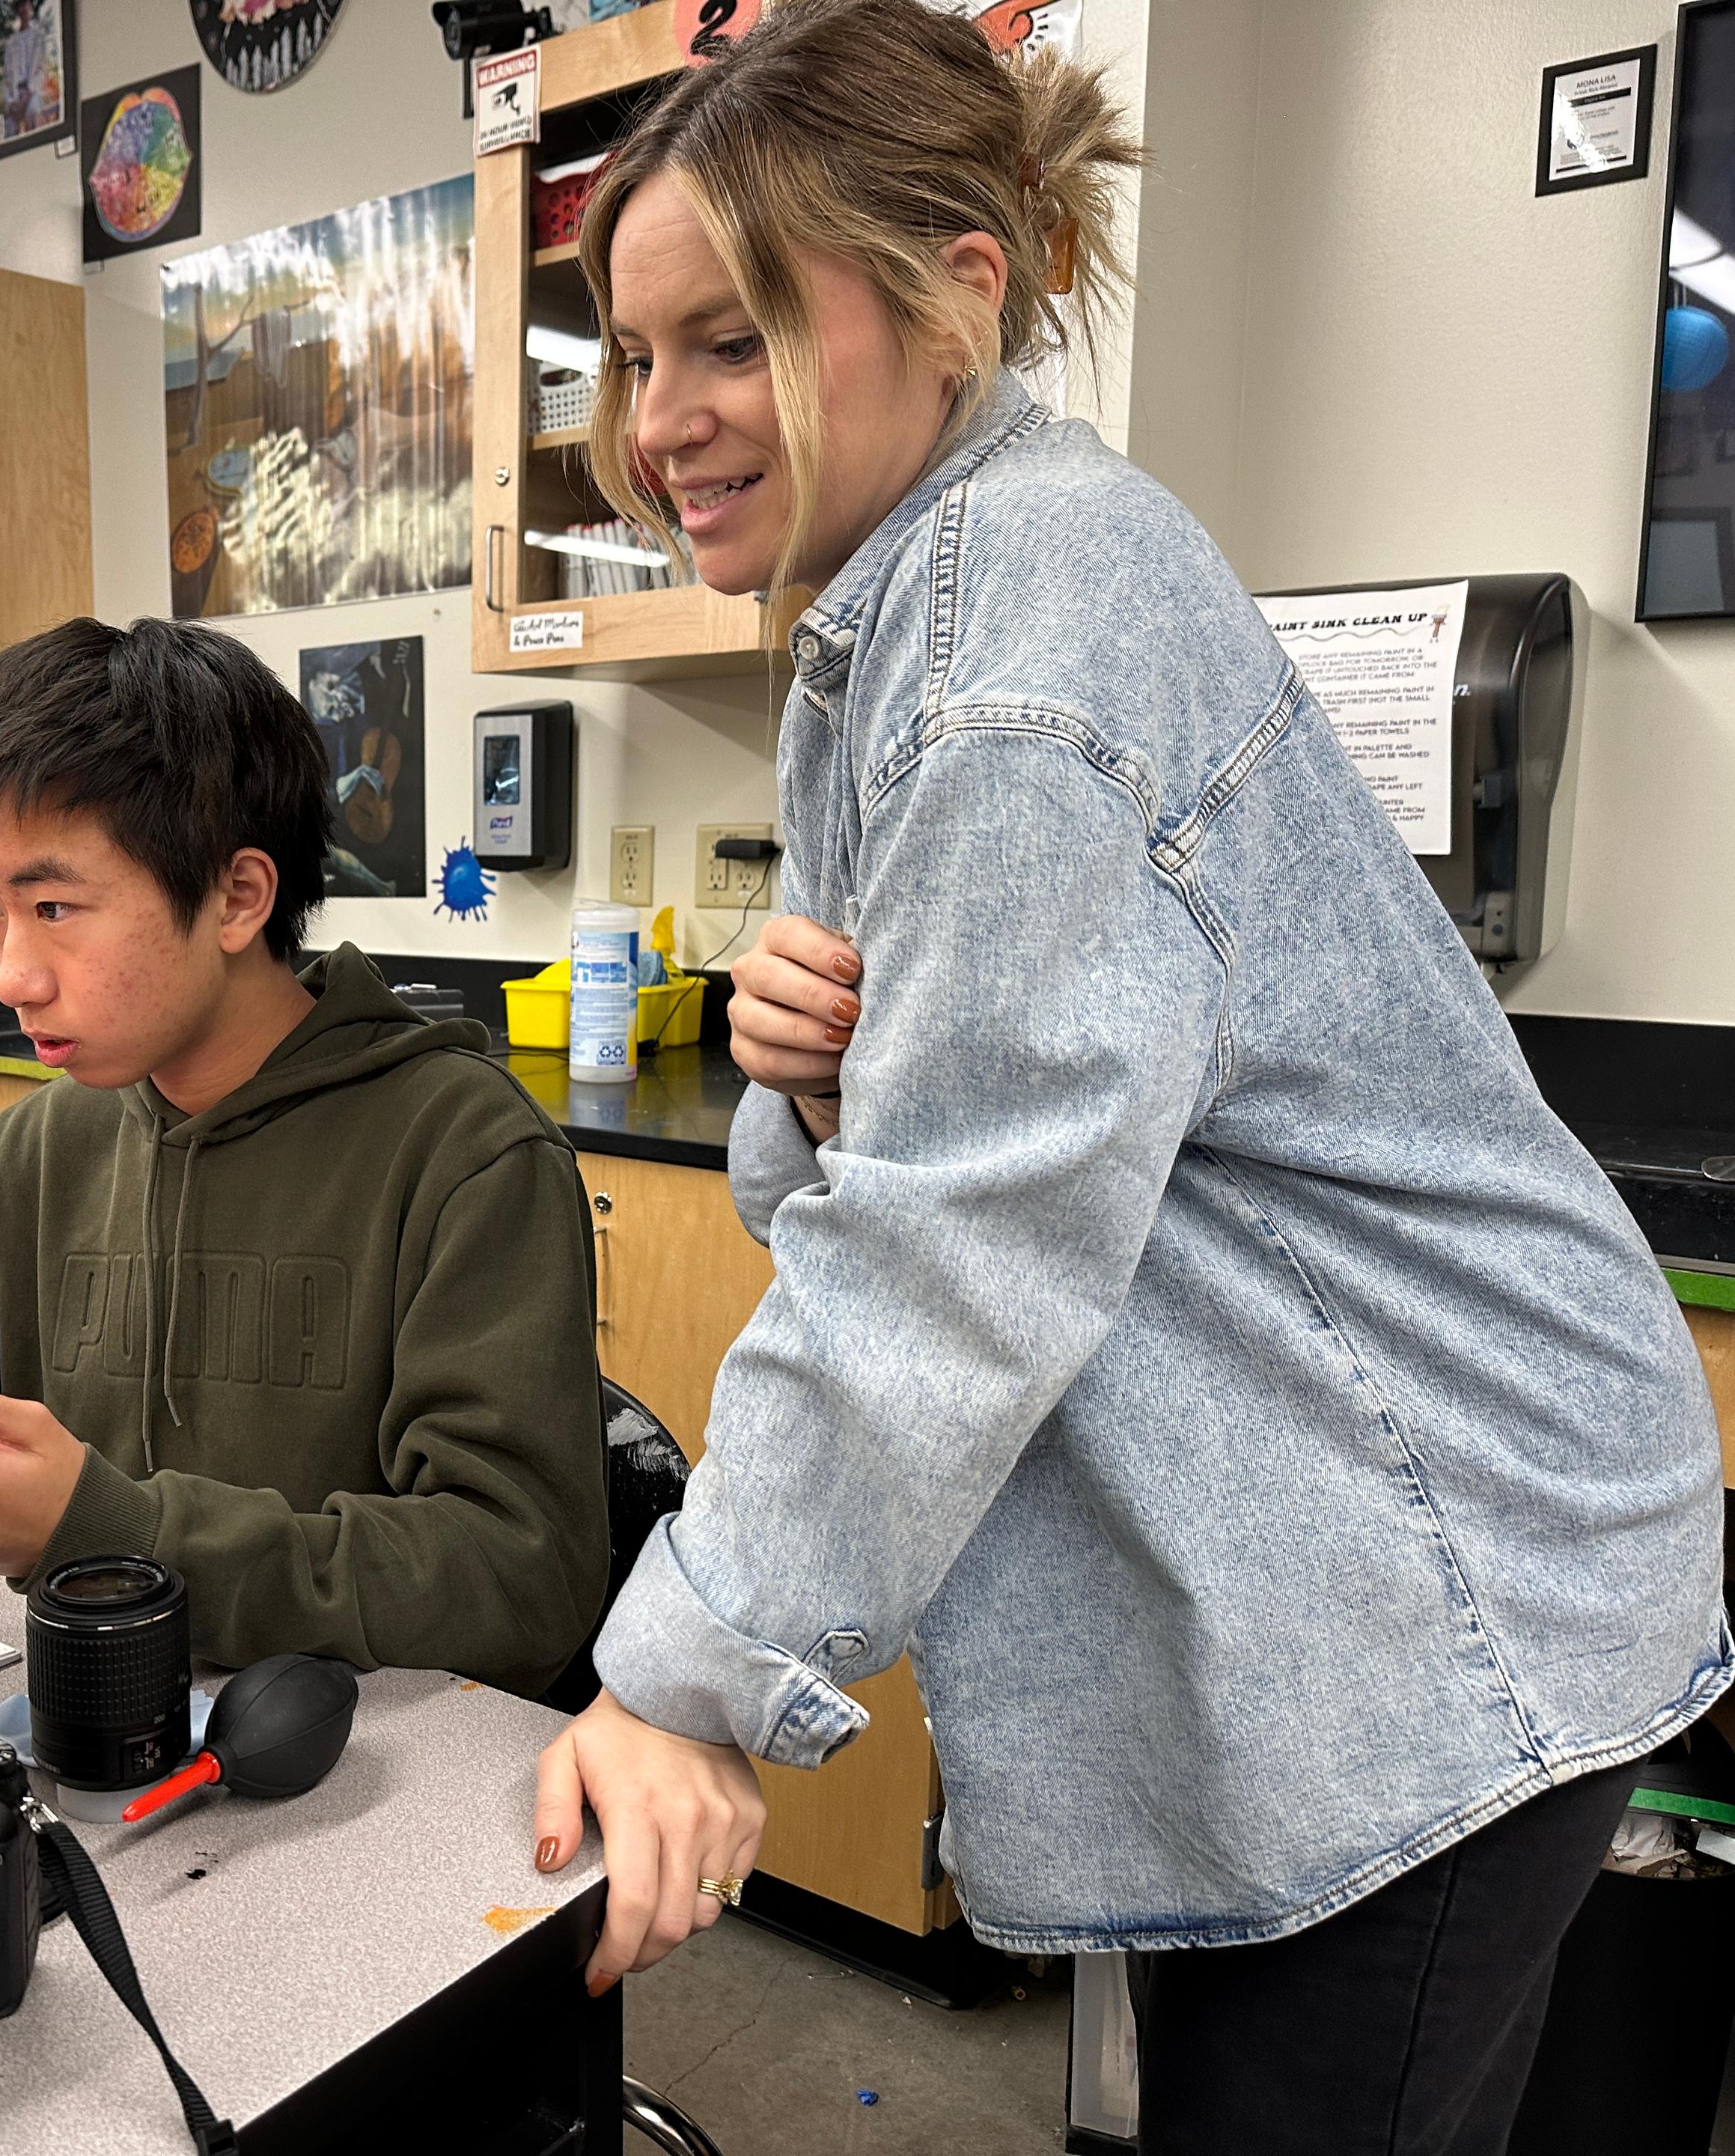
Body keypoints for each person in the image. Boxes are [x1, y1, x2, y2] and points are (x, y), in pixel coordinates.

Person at [525, 3, 1731, 2146]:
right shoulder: (898, 616)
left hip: (1442, 1589)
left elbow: (951, 1254)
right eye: (633, 357)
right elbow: (886, 1182)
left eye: (727, 342)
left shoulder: (1022, 647)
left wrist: (680, 1679)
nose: (661, 423)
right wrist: (811, 1073)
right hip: (1366, 1575)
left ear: (957, 287)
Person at [0, 615, 609, 1698]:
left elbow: (519, 1583)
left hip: (356, 1761)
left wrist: (104, 1530)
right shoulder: (49, 1139)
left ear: (236, 896)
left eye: (55, 908)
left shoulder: (466, 1154)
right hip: (81, 1719)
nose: (12, 975)